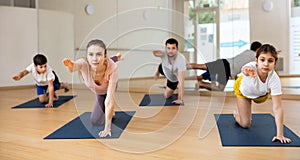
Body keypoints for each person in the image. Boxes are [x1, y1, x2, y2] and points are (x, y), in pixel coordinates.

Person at [233, 44, 291, 144]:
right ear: (256, 60)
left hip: (260, 96)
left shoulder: (274, 78)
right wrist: (247, 72)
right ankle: (236, 114)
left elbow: (278, 108)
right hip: (244, 93)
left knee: (265, 94)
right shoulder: (250, 66)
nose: (266, 64)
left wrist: (280, 134)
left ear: (275, 63)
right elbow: (244, 70)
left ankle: (244, 112)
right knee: (245, 124)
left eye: (270, 60)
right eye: (262, 60)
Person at [62, 39, 120, 138]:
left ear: (104, 55)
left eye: (99, 54)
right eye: (91, 54)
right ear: (87, 56)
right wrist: (70, 66)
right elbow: (74, 68)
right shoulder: (83, 63)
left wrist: (107, 128)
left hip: (109, 86)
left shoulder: (113, 68)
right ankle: (116, 57)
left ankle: (115, 58)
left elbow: (109, 100)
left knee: (107, 103)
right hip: (99, 91)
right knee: (95, 121)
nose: (94, 58)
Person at [187, 41, 262, 91]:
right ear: (258, 49)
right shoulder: (254, 56)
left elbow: (238, 64)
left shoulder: (247, 52)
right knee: (219, 88)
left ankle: (199, 82)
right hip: (226, 68)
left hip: (225, 64)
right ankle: (200, 84)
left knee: (201, 67)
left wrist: (236, 79)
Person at [153, 38, 186, 104]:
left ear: (177, 49)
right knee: (161, 67)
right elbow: (155, 53)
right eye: (168, 48)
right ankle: (158, 72)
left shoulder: (181, 59)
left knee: (166, 96)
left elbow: (181, 82)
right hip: (164, 69)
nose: (170, 51)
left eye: (173, 48)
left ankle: (172, 89)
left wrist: (179, 99)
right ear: (166, 48)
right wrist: (155, 53)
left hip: (173, 77)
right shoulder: (163, 52)